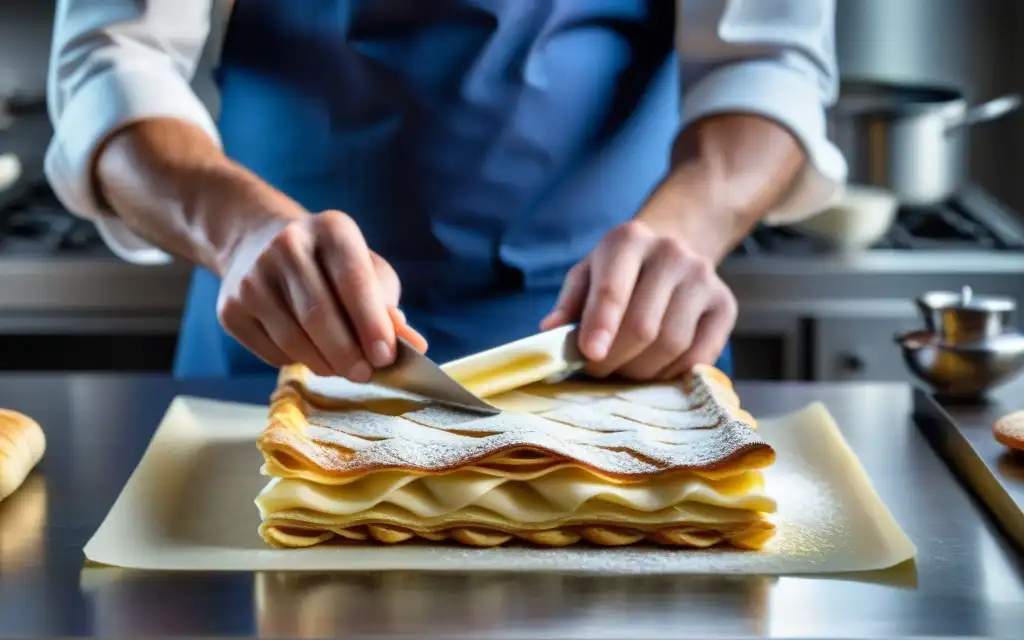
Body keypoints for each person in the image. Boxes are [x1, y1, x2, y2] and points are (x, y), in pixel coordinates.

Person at [46, 0, 846, 382]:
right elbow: (112, 59)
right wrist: (238, 232)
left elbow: (767, 60)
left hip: (622, 348)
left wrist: (687, 232)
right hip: (275, 335)